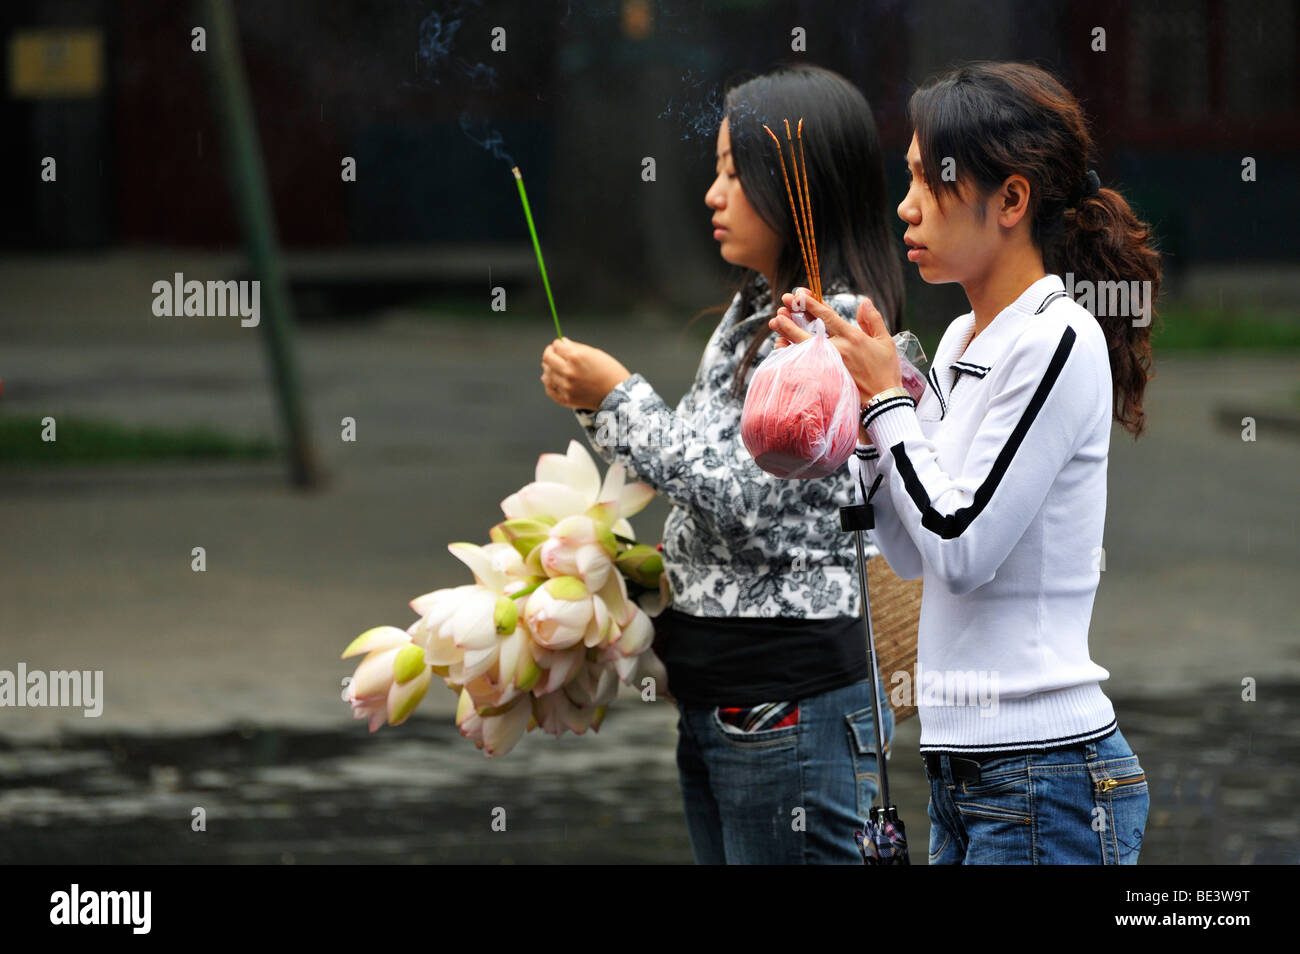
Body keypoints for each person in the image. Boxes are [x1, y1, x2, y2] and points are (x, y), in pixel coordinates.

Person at [772, 61, 1158, 865]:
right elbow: (912, 549)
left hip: (1044, 779)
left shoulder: (1056, 337)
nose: (904, 206)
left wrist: (887, 401)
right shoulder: (959, 341)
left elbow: (962, 546)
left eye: (927, 178)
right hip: (966, 775)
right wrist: (852, 408)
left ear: (1011, 200)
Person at [540, 65, 905, 864]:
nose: (713, 194)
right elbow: (704, 474)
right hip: (725, 696)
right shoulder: (752, 310)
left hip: (783, 702)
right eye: (718, 171)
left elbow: (739, 492)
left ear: (796, 186)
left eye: (736, 174)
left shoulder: (831, 328)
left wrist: (615, 397)